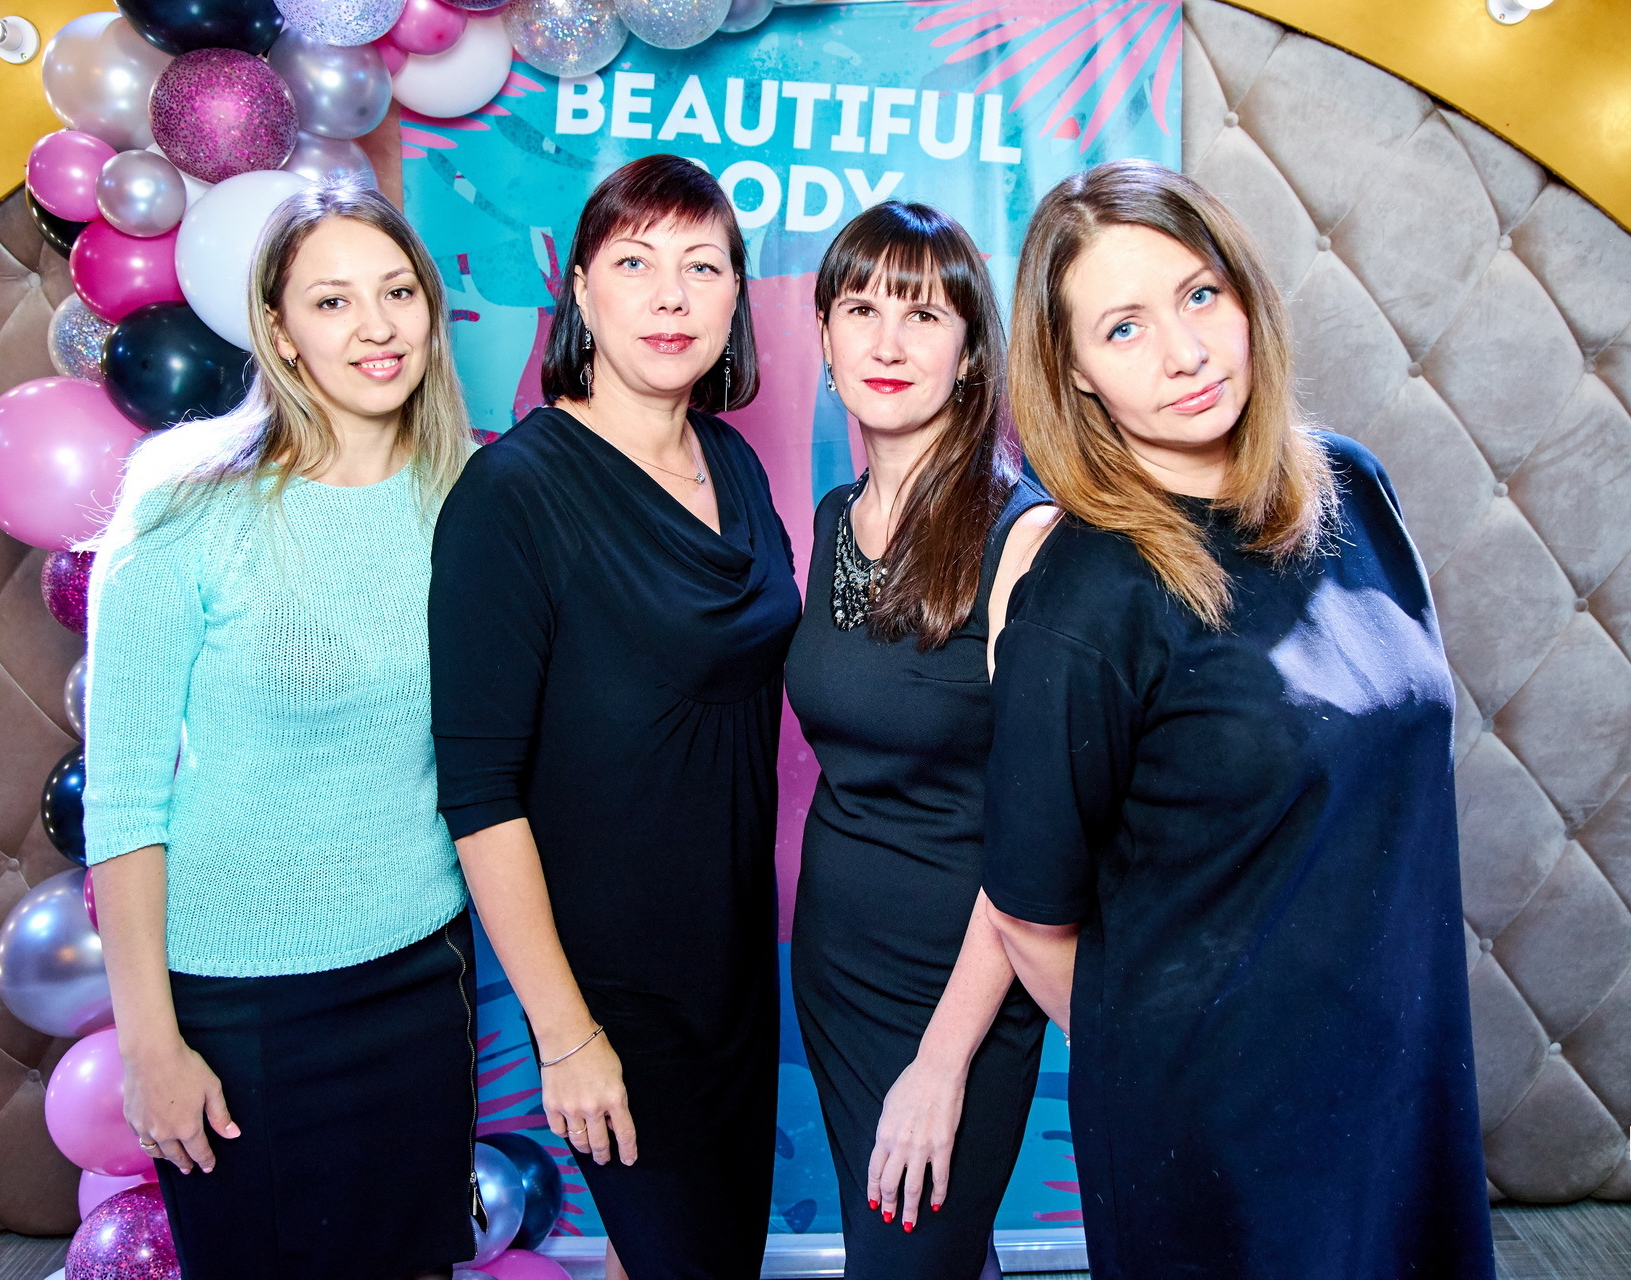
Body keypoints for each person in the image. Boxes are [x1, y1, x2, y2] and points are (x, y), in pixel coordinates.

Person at [982, 159, 1496, 1279]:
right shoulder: (1085, 596)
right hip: (1221, 1135)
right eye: (1124, 328)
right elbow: (1028, 914)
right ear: (1074, 375)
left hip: (1405, 1080)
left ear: (1247, 295)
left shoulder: (1352, 487)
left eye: (1200, 294)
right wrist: (1179, 1077)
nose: (1184, 351)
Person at [82, 180, 479, 1280]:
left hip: (420, 974)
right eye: (333, 301)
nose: (376, 326)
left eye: (397, 292)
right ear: (281, 330)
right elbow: (122, 795)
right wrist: (150, 1045)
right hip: (237, 1000)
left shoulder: (469, 493)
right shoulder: (187, 498)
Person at [428, 154, 800, 1280]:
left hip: (734, 959)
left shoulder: (730, 459)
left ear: (735, 297)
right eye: (635, 264)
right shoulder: (513, 495)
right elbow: (479, 795)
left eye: (703, 266)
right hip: (613, 985)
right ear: (581, 292)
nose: (671, 295)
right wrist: (566, 1032)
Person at [786, 202, 1055, 1280]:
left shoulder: (1021, 534)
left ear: (971, 349)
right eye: (861, 310)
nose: (888, 342)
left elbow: (1038, 831)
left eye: (924, 314)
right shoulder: (834, 517)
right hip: (835, 966)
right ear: (825, 336)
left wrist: (943, 1064)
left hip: (962, 987)